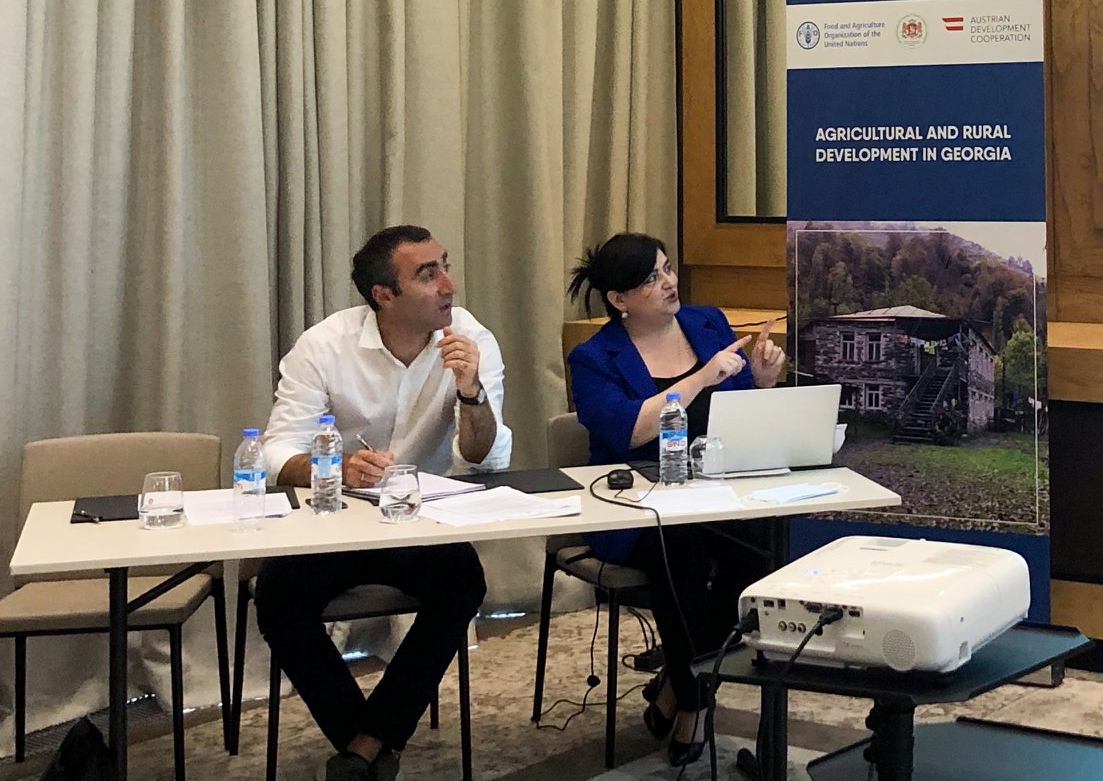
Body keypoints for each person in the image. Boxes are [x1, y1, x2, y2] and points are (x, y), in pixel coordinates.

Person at [256, 225, 513, 781]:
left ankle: (366, 746)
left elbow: (483, 457)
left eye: (445, 266)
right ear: (383, 295)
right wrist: (334, 468)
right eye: (428, 274)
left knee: (462, 582)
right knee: (278, 598)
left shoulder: (470, 337)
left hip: (416, 519)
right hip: (333, 521)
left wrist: (471, 392)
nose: (449, 285)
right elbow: (275, 449)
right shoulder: (325, 345)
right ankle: (368, 742)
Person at [565, 232, 786, 767]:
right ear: (619, 299)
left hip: (717, 493)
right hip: (634, 507)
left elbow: (735, 414)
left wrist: (761, 383)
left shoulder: (706, 323)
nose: (669, 282)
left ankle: (678, 683)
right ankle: (693, 702)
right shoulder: (594, 357)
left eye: (667, 269)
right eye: (651, 278)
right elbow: (627, 431)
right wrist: (700, 378)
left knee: (762, 547)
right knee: (681, 549)